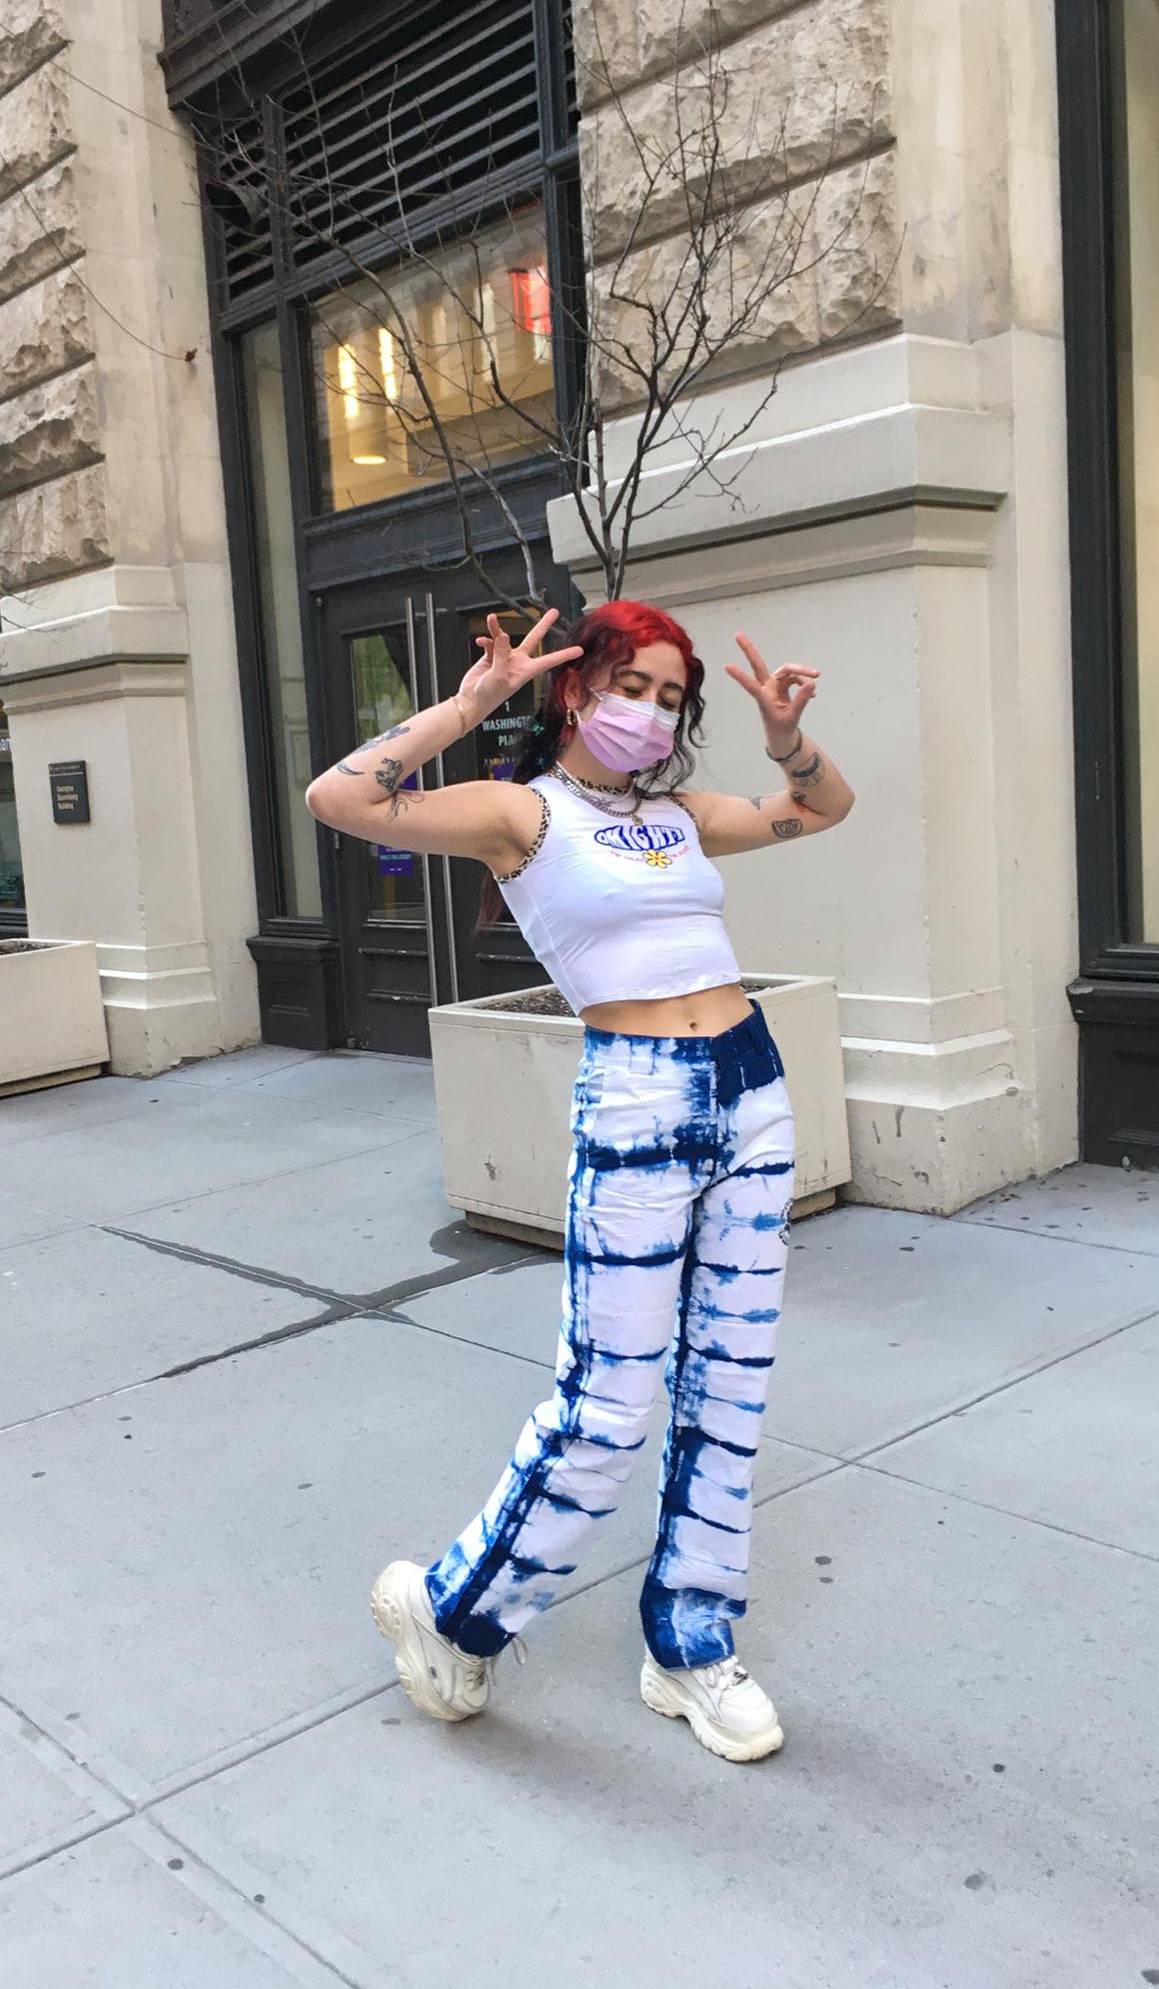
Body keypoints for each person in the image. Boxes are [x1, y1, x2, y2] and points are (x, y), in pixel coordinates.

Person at [305, 599, 855, 1762]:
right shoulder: (524, 814)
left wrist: (787, 738)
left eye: (669, 696)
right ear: (574, 689)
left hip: (752, 1086)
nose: (650, 711)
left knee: (732, 1387)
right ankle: (453, 1611)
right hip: (640, 1096)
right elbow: (343, 798)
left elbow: (819, 806)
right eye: (632, 686)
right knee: (608, 1400)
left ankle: (691, 1640)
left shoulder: (680, 816)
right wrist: (468, 705)